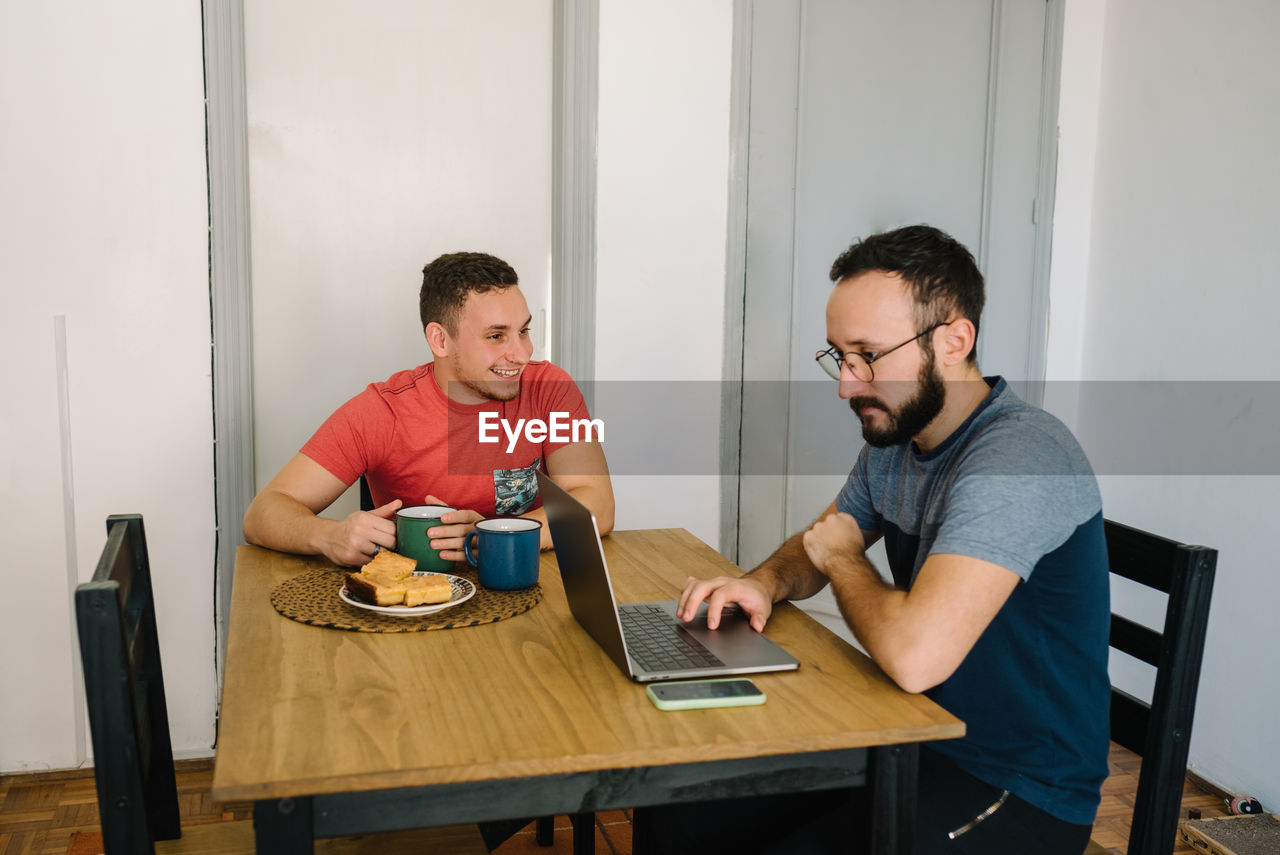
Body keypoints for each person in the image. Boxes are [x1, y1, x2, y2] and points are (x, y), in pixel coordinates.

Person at [672, 225, 1110, 854]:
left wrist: (844, 560)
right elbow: (819, 543)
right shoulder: (900, 439)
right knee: (685, 813)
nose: (848, 384)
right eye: (838, 357)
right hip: (916, 736)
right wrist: (762, 582)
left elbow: (911, 655)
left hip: (1018, 785)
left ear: (955, 340)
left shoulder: (1019, 455)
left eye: (867, 355)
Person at [243, 251, 614, 567]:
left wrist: (491, 537)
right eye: (496, 336)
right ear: (440, 339)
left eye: (524, 331)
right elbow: (264, 513)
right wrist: (327, 535)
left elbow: (595, 503)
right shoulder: (382, 412)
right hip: (421, 611)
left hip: (529, 586)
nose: (522, 353)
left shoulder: (549, 389)